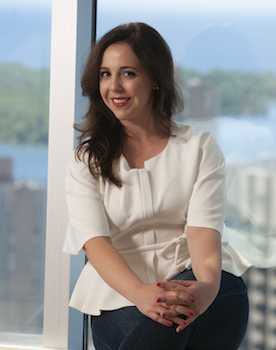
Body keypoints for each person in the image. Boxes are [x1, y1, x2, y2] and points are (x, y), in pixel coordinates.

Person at [63, 22, 249, 350]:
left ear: (156, 80)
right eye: (105, 74)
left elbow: (203, 232)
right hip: (119, 293)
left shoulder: (199, 147)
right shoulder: (85, 161)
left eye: (128, 73)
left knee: (179, 309)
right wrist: (142, 295)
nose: (114, 87)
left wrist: (206, 288)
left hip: (196, 279)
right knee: (157, 321)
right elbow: (95, 243)